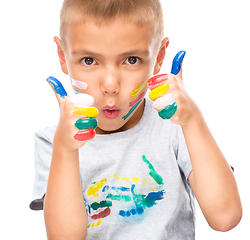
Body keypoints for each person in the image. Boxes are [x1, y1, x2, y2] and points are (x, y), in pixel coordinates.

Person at [30, 0, 242, 239]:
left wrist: (193, 120)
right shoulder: (52, 142)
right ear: (62, 56)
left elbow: (225, 217)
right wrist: (65, 149)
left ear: (159, 56)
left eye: (131, 60)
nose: (110, 85)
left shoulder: (175, 126)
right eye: (89, 60)